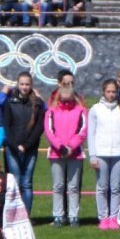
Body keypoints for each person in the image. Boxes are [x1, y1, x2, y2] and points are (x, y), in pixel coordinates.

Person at [0, 72, 45, 215]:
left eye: (27, 84)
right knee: (15, 182)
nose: (24, 87)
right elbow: (6, 125)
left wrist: (26, 145)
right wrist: (15, 145)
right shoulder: (10, 101)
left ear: (31, 85)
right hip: (12, 148)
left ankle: (26, 215)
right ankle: (13, 215)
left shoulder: (37, 103)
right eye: (22, 84)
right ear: (18, 85)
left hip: (30, 148)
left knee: (27, 183)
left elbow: (39, 127)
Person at [44, 75, 88, 227]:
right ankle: (58, 215)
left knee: (74, 186)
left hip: (75, 154)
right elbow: (49, 131)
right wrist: (60, 147)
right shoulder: (51, 111)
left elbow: (83, 131)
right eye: (63, 99)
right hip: (57, 153)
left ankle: (73, 215)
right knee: (58, 186)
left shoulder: (81, 110)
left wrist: (71, 146)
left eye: (69, 99)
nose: (66, 102)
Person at [87, 79, 120, 229]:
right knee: (102, 187)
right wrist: (92, 155)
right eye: (109, 91)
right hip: (101, 153)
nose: (111, 94)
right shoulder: (95, 109)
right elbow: (91, 133)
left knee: (116, 187)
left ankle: (114, 217)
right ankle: (103, 217)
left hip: (119, 153)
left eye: (114, 92)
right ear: (103, 92)